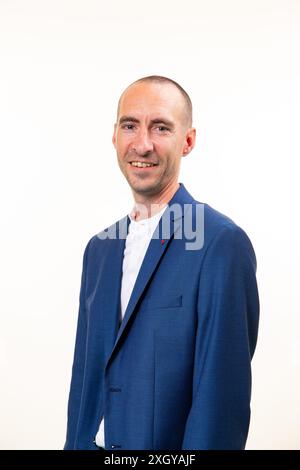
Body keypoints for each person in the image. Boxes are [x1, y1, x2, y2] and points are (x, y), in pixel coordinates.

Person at [64, 75, 259, 450]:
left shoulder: (220, 243)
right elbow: (84, 383)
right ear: (114, 136)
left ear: (188, 141)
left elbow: (222, 402)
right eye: (130, 125)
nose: (143, 143)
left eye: (161, 127)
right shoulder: (98, 251)